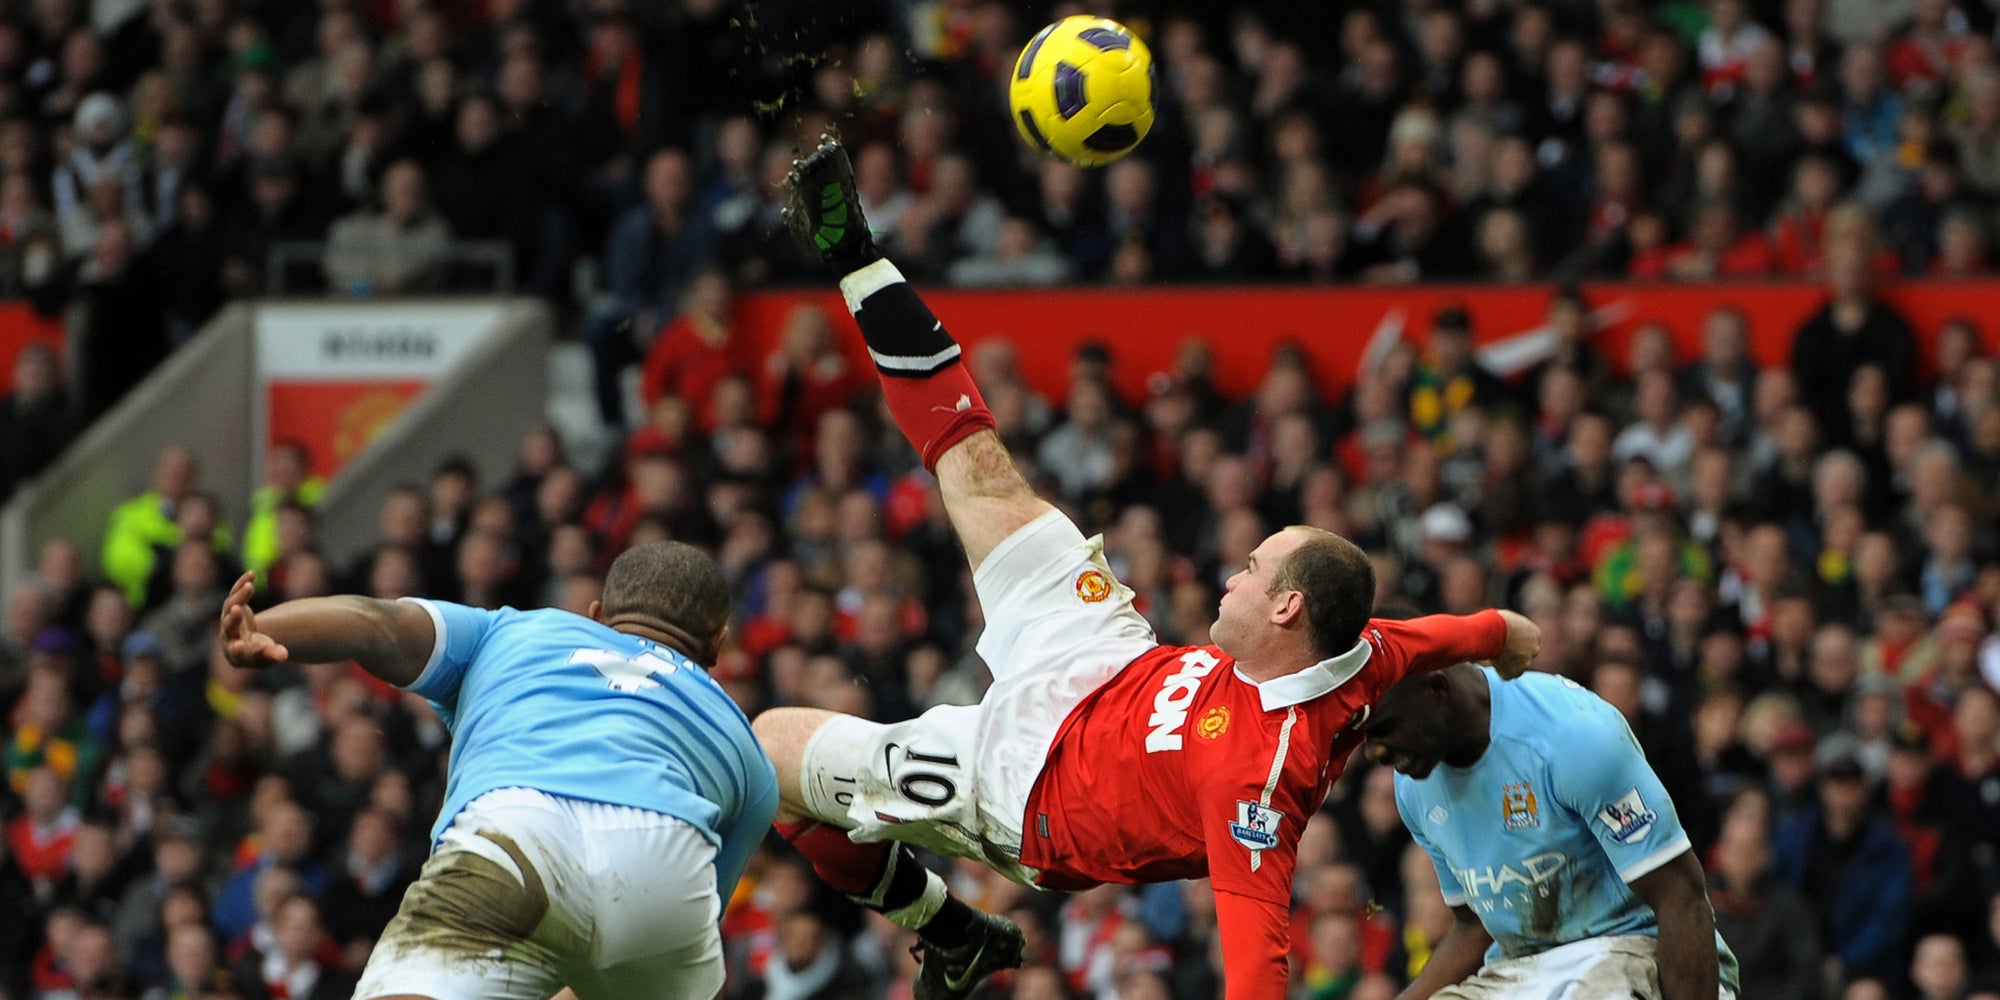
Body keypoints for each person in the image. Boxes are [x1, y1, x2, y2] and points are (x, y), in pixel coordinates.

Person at [755, 136, 1543, 1000]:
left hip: (1030, 789)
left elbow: (1256, 971)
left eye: (1251, 569)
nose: (1230, 576)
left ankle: (950, 931)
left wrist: (1499, 641)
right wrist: (1506, 633)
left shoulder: (1257, 787)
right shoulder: (1361, 649)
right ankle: (857, 259)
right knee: (982, 472)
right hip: (1109, 657)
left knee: (766, 754)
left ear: (1285, 611)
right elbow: (1453, 635)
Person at [216, 539, 776, 1000]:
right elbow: (705, 903)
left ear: (597, 617)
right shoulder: (745, 746)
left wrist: (263, 627)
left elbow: (375, 623)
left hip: (521, 829)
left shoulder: (514, 631)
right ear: (716, 645)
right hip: (665, 871)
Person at [1359, 663, 1739, 999]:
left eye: (1384, 728)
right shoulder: (1413, 785)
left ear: (1437, 691)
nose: (1374, 753)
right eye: (1365, 736)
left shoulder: (1572, 737)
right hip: (1522, 972)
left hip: (1637, 949)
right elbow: (1475, 924)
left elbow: (1680, 897)